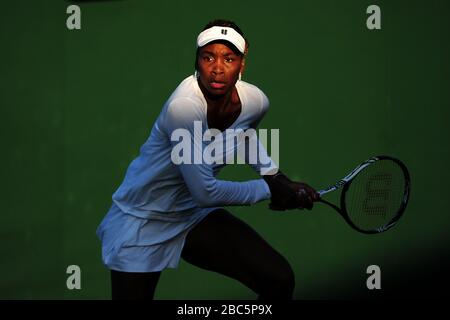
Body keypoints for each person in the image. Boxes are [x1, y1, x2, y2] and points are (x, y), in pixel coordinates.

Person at [96, 19, 319, 300]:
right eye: (208, 57)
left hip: (191, 216)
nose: (217, 68)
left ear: (242, 64)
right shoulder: (183, 109)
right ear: (197, 60)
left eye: (229, 58)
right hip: (143, 219)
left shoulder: (256, 101)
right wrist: (270, 189)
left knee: (279, 280)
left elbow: (243, 133)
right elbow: (205, 192)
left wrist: (275, 176)